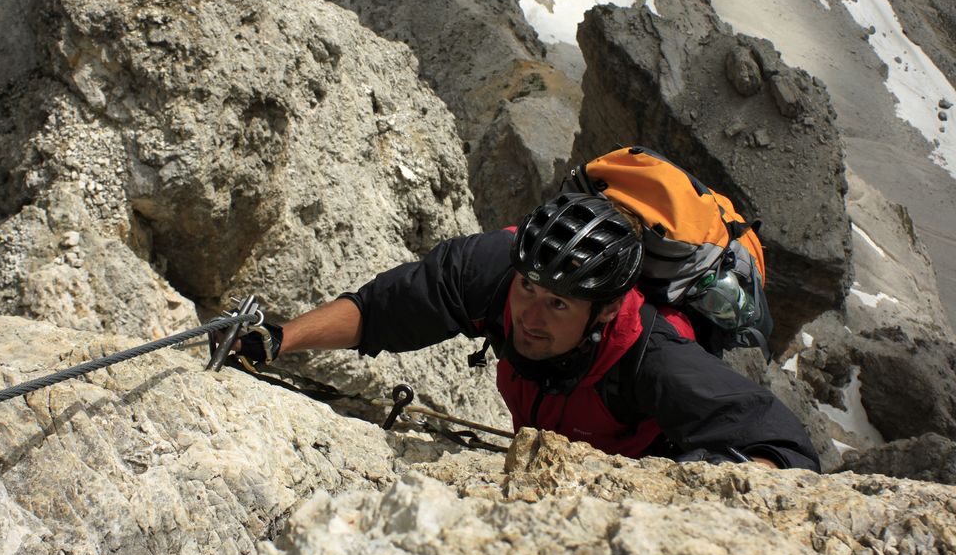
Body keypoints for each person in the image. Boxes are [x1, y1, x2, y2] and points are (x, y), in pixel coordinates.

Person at [232, 192, 820, 471]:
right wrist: (277, 340)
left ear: (606, 311)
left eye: (559, 306)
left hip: (631, 468)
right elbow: (381, 310)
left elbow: (782, 446)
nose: (531, 317)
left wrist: (669, 495)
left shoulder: (653, 357)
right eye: (528, 292)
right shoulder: (497, 270)